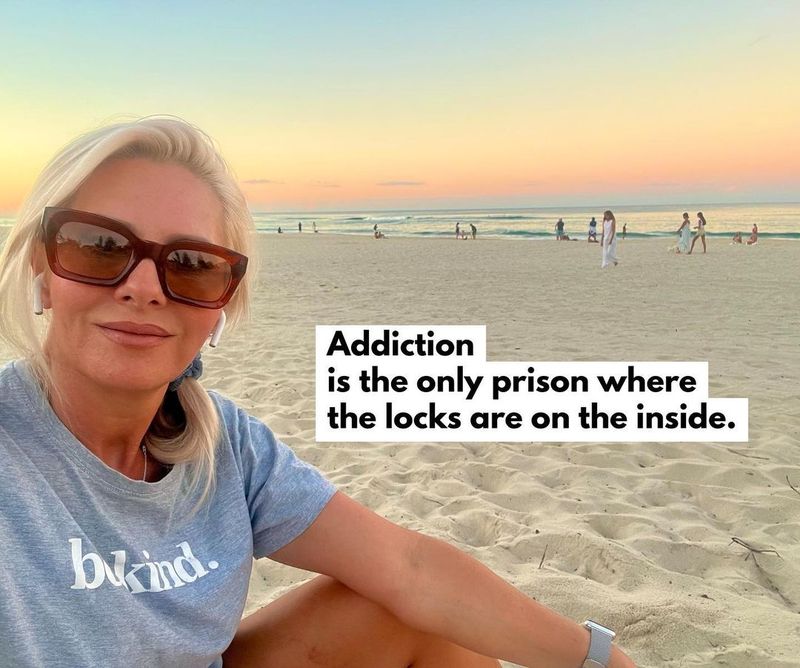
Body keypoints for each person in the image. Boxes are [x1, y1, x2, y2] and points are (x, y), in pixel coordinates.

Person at [0, 117, 635, 668]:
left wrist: (601, 658)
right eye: (100, 246)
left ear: (222, 302)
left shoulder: (225, 446)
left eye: (191, 264)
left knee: (410, 612)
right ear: (41, 267)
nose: (143, 287)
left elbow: (409, 568)